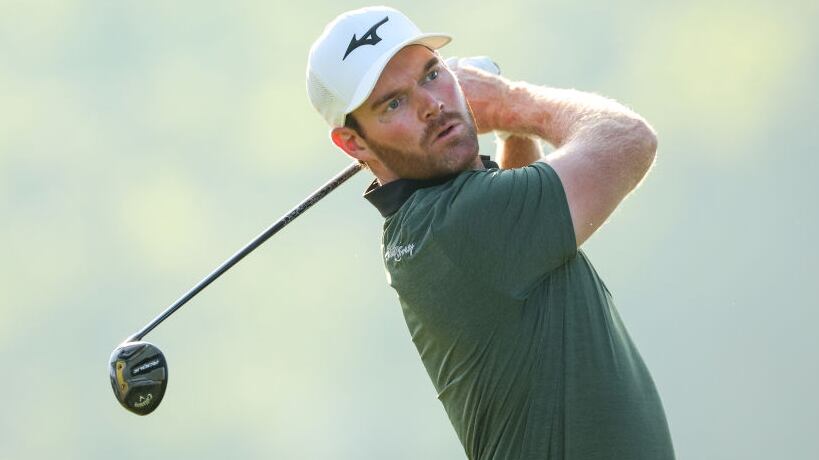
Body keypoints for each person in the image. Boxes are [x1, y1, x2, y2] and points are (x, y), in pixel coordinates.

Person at [306, 6, 675, 460]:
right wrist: (508, 102)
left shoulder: (431, 228)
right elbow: (629, 141)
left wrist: (504, 125)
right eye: (394, 103)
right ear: (354, 144)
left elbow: (526, 239)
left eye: (432, 74)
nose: (433, 105)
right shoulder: (462, 224)